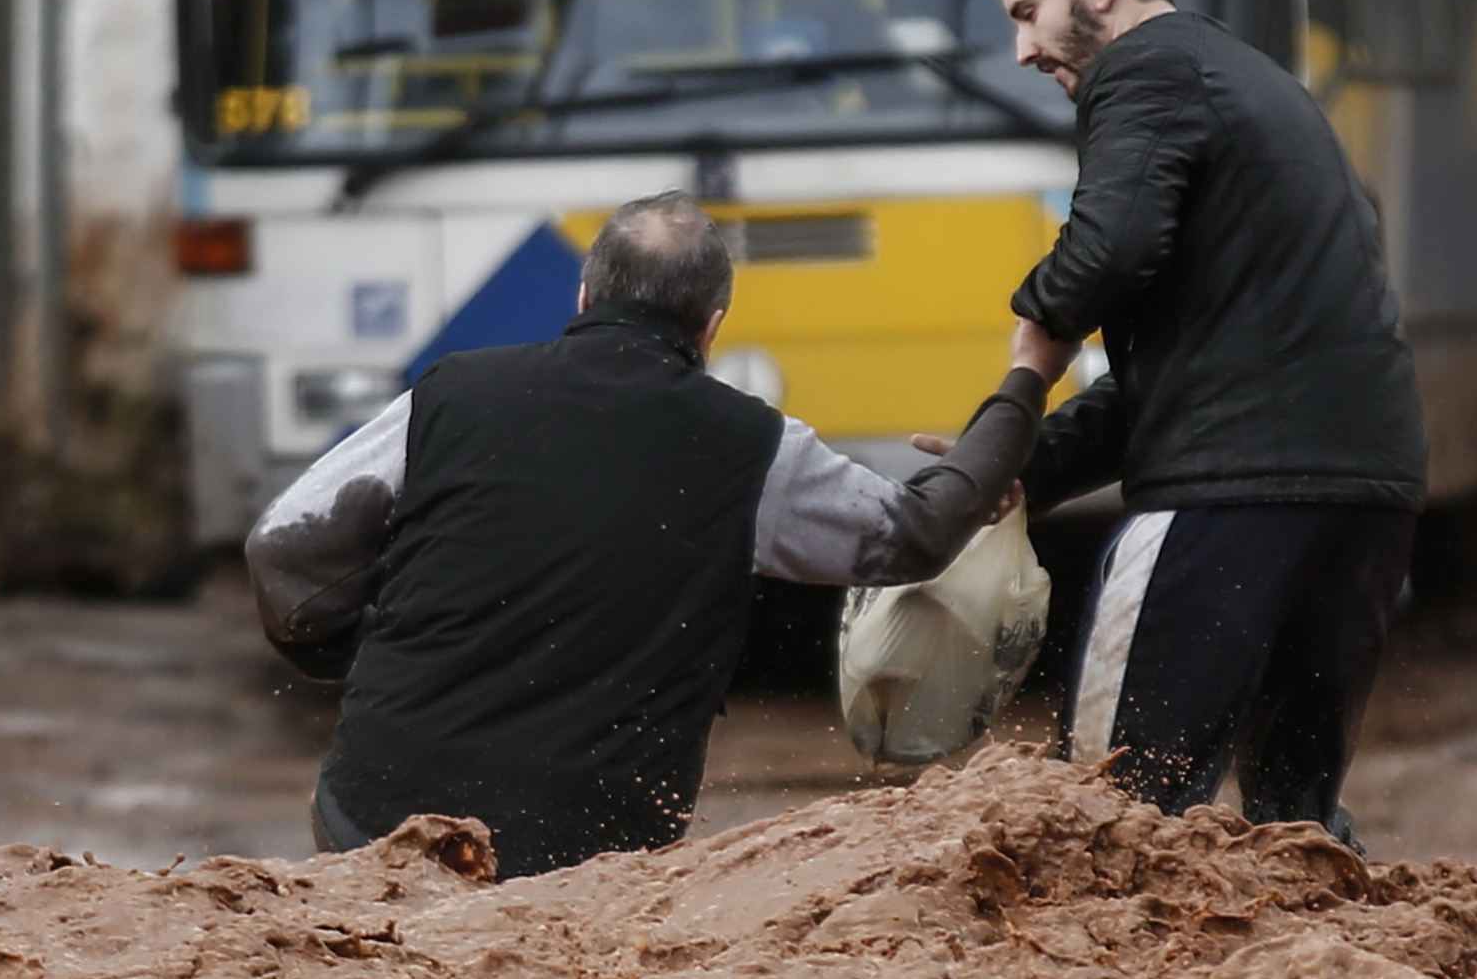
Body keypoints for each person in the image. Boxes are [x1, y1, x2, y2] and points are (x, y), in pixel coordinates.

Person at [246, 192, 1060, 879]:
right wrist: (1024, 386)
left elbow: (282, 550)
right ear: (710, 327)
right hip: (590, 858)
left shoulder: (450, 395)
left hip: (368, 821)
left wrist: (337, 658)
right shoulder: (750, 449)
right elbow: (915, 535)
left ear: (584, 299)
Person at [990, 0, 1424, 849]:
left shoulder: (1141, 72)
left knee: (1104, 822)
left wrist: (1036, 334)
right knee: (1293, 824)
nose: (1021, 47)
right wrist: (1024, 467)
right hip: (1366, 493)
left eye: (1028, 11)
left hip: (1232, 493)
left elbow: (1110, 247)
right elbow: (1198, 363)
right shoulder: (1252, 80)